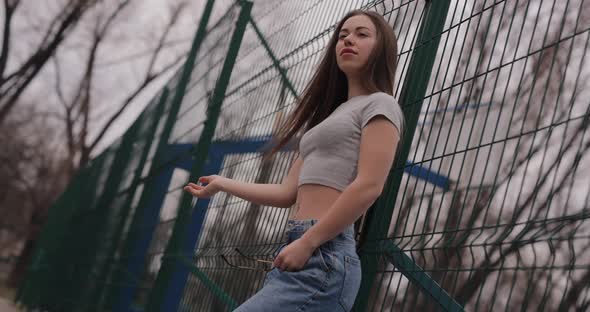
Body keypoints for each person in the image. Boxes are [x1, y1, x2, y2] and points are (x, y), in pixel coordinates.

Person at [184, 9, 404, 312]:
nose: (348, 40)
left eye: (361, 34)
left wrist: (309, 242)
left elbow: (369, 185)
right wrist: (224, 184)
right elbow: (288, 192)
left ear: (381, 49)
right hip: (298, 250)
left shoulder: (381, 104)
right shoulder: (326, 119)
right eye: (342, 35)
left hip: (323, 257)